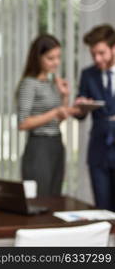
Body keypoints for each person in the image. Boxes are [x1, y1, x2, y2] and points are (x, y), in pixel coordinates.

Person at [17, 34, 75, 197]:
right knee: (40, 198)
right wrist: (54, 112)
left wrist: (64, 96)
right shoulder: (29, 84)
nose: (56, 62)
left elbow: (58, 119)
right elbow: (23, 123)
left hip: (56, 144)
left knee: (54, 198)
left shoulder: (50, 84)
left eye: (58, 57)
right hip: (39, 147)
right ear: (38, 58)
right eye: (51, 58)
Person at [74, 24, 115, 211]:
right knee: (102, 210)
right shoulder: (88, 75)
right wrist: (81, 106)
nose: (97, 59)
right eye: (93, 54)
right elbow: (81, 116)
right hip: (98, 150)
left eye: (102, 53)